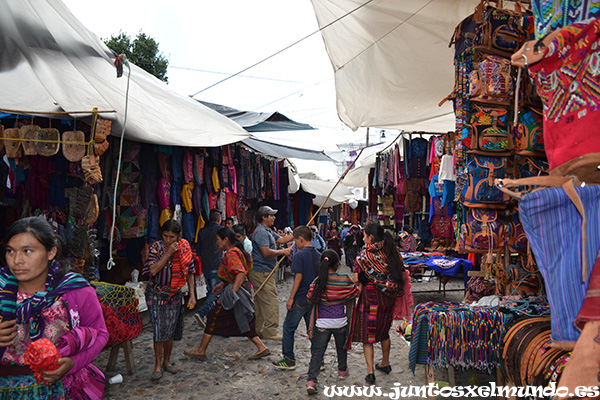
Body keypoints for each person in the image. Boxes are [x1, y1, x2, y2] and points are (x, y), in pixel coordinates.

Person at [0, 216, 108, 398]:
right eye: (10, 251)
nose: (16, 260)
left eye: (27, 251)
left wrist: (73, 363)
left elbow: (101, 333)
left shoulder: (76, 290)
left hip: (61, 390)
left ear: (50, 252)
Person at [184, 228, 271, 360]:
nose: (217, 243)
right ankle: (261, 347)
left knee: (213, 316)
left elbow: (240, 273)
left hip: (236, 292)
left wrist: (232, 293)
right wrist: (223, 284)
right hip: (239, 289)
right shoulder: (236, 251)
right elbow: (236, 273)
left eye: (218, 240)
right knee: (242, 319)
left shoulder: (231, 254)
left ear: (225, 240)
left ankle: (201, 350)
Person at [351, 223, 413, 384]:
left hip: (369, 298)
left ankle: (370, 372)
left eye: (364, 236)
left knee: (367, 335)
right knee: (384, 332)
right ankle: (385, 363)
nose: (363, 238)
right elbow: (403, 275)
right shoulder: (392, 252)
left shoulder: (364, 256)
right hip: (388, 299)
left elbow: (356, 279)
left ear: (371, 238)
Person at [143, 219, 197, 380]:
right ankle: (158, 365)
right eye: (165, 236)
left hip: (174, 294)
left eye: (171, 237)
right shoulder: (156, 248)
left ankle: (167, 361)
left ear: (178, 236)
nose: (168, 240)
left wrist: (192, 294)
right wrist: (167, 254)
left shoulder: (185, 249)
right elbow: (153, 270)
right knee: (159, 330)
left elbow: (190, 272)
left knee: (171, 330)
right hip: (156, 293)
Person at [305, 250, 360, 395]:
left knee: (318, 352)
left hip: (322, 323)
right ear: (337, 264)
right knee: (341, 348)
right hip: (340, 322)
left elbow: (309, 297)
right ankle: (342, 370)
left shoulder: (318, 281)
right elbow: (354, 292)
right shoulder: (343, 279)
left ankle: (311, 380)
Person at [273, 226, 320, 370]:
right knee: (312, 330)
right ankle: (319, 360)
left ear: (300, 239)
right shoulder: (318, 254)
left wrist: (291, 298)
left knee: (288, 328)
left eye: (295, 240)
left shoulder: (300, 255)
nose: (295, 244)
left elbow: (298, 277)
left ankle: (288, 359)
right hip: (313, 297)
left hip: (300, 297)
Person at [250, 205, 294, 340]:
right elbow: (266, 252)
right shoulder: (261, 232)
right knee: (270, 301)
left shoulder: (267, 230)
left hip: (264, 270)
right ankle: (270, 331)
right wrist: (283, 252)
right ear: (264, 217)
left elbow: (282, 240)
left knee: (261, 302)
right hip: (261, 271)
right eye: (271, 215)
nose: (274, 218)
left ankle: (258, 329)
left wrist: (297, 233)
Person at [194, 209, 223, 327]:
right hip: (217, 264)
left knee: (211, 291)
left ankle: (212, 319)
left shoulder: (202, 231)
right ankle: (202, 312)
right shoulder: (221, 230)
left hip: (206, 265)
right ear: (218, 219)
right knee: (215, 292)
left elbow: (198, 250)